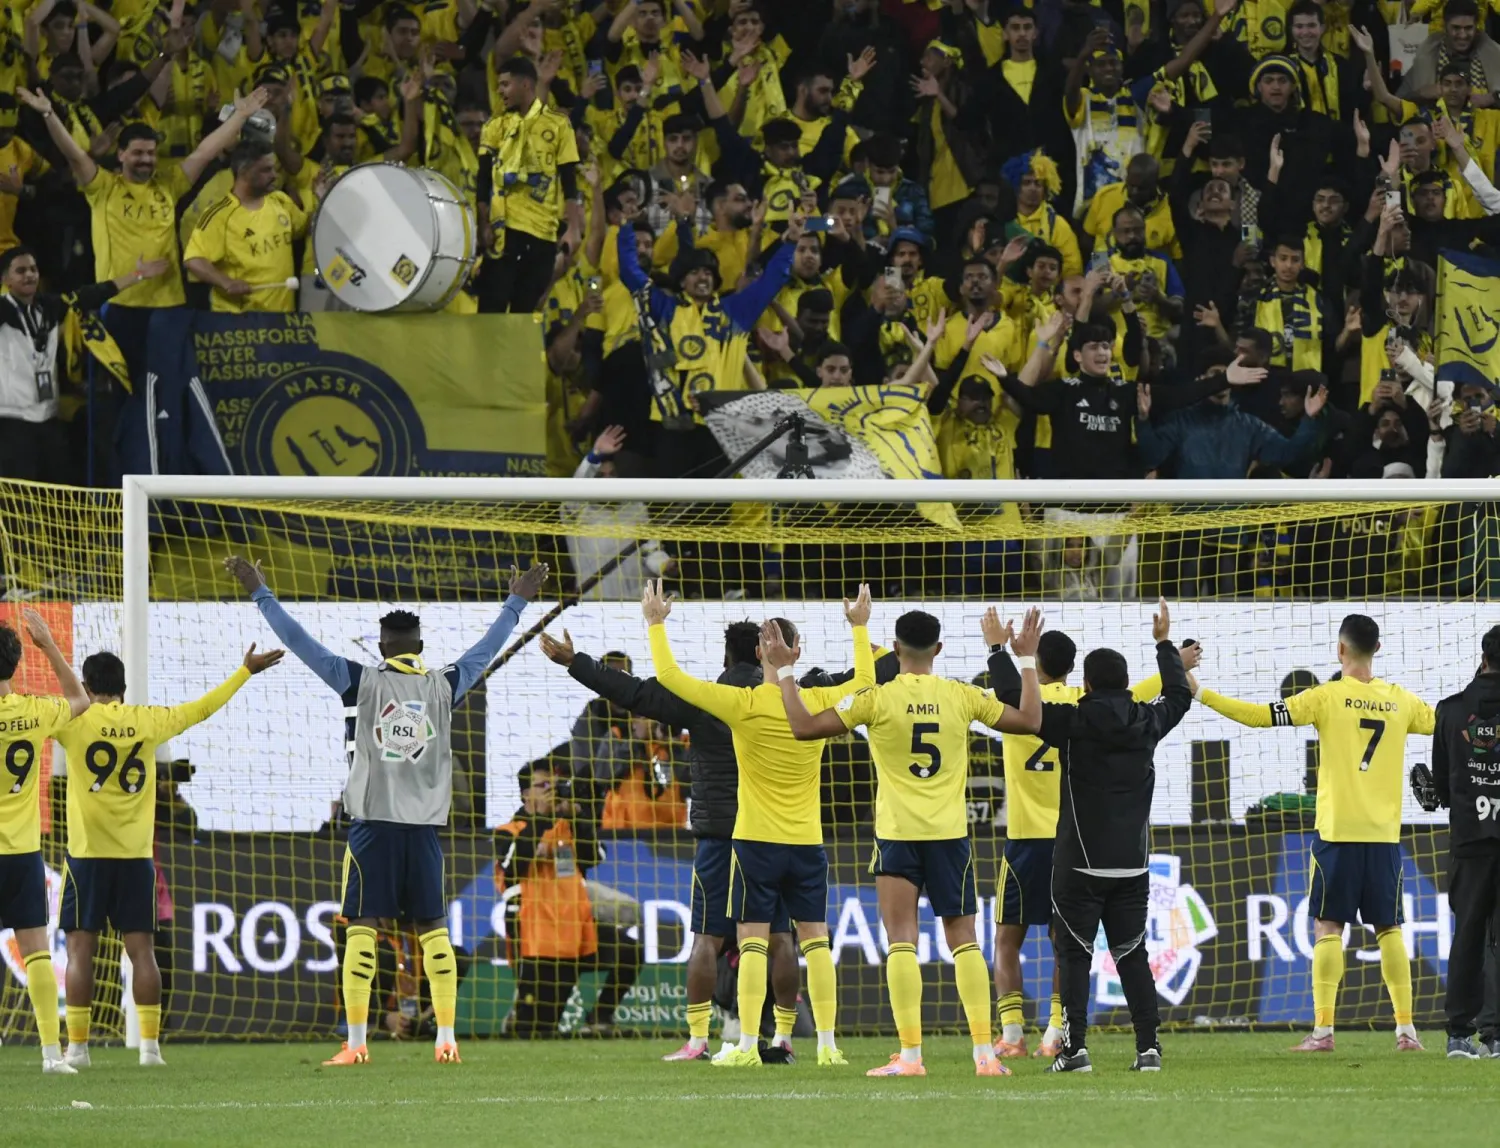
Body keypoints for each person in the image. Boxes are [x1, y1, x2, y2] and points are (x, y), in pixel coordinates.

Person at [224, 554, 548, 1066]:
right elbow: (486, 649)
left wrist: (259, 589)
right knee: (434, 932)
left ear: (381, 647)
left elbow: (300, 641)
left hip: (372, 829)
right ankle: (446, 1038)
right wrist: (517, 601)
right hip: (423, 833)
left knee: (362, 929)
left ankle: (355, 1044)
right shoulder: (444, 685)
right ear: (420, 647)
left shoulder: (359, 681)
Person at [771, 607, 1045, 1078]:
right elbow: (1030, 720)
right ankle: (985, 1055)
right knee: (965, 943)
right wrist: (1026, 660)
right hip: (949, 837)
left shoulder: (875, 699)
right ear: (938, 650)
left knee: (901, 943)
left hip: (898, 835)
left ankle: (911, 1057)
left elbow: (802, 727)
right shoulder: (962, 695)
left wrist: (786, 671)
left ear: (895, 649)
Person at [537, 620, 804, 1062]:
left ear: (725, 657)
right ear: (764, 654)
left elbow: (636, 693)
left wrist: (576, 662)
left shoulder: (704, 700)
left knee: (707, 939)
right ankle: (783, 1040)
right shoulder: (782, 698)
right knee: (779, 939)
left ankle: (698, 1041)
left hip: (719, 836)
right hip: (770, 835)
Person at [642, 578, 877, 1068]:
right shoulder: (815, 701)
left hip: (754, 842)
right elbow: (865, 683)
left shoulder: (742, 704)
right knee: (813, 941)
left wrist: (656, 623)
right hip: (808, 841)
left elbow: (669, 677)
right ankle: (829, 1047)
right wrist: (859, 628)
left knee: (752, 941)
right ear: (798, 648)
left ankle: (747, 1046)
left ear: (760, 652)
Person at [1195, 614, 1436, 1052]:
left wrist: (1199, 691)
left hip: (1337, 833)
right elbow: (1445, 725)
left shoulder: (1325, 698)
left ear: (1340, 650)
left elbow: (1256, 717)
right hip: (1383, 836)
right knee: (1390, 928)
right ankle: (1407, 1031)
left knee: (1328, 927)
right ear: (1377, 649)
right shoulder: (1402, 701)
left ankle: (1323, 1032)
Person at [982, 611, 1199, 1059]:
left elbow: (1010, 698)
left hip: (1048, 843)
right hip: (1121, 856)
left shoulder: (1057, 711)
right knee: (1105, 950)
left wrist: (1001, 652)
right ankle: (1061, 1035)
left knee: (1012, 939)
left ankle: (1013, 1035)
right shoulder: (1131, 714)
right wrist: (1168, 654)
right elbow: (1169, 694)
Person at [57, 641, 282, 1068]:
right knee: (142, 953)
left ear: (87, 686)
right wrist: (244, 672)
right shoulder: (149, 721)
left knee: (80, 952)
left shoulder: (75, 722)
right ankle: (150, 1049)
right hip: (137, 860)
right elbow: (201, 708)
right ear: (124, 687)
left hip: (87, 857)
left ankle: (80, 1049)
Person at [16, 83, 269, 373]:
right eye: (138, 153)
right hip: (122, 302)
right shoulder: (103, 187)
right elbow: (75, 155)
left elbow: (205, 151)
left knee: (170, 385)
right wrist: (49, 114)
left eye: (151, 153)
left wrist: (239, 117)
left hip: (170, 304)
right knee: (128, 389)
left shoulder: (169, 184)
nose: (146, 159)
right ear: (121, 154)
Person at [1045, 599, 1194, 1074]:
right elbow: (1179, 694)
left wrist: (1008, 654)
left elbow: (1017, 704)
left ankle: (1074, 1052)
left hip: (1079, 864)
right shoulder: (1146, 722)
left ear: (1085, 684)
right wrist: (1164, 644)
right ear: (1126, 683)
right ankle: (1148, 1049)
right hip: (1132, 864)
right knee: (1132, 956)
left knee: (1074, 957)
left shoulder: (1071, 722)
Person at [0, 609, 90, 1073]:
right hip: (21, 853)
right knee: (35, 950)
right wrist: (49, 645)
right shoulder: (34, 712)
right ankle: (52, 1056)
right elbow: (80, 699)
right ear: (15, 665)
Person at [496, 760, 644, 1038]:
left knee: (630, 951)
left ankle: (599, 1017)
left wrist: (577, 815)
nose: (551, 791)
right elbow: (513, 869)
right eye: (543, 786)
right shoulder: (509, 830)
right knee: (538, 1030)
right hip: (536, 936)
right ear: (525, 795)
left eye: (554, 785)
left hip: (576, 931)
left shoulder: (568, 826)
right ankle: (518, 1017)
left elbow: (594, 857)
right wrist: (541, 818)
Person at [0, 245, 167, 482]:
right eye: (20, 271)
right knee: (18, 502)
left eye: (33, 269)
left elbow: (91, 294)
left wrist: (137, 275)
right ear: (6, 279)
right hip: (11, 424)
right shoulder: (2, 311)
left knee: (57, 496)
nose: (29, 275)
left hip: (48, 419)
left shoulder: (49, 307)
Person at [1426, 625, 1500, 1058]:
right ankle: (1496, 1035)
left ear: (1483, 657)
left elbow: (1439, 786)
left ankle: (1459, 1034)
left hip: (1470, 839)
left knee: (1469, 932)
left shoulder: (1450, 711)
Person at [477, 57, 583, 314]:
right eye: (498, 85)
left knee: (525, 315)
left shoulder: (559, 125)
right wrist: (484, 223)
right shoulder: (493, 127)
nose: (500, 90)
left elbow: (568, 180)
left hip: (543, 237)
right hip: (505, 233)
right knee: (491, 313)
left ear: (525, 84)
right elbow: (482, 180)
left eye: (505, 84)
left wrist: (573, 228)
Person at [182, 141, 308, 313]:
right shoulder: (219, 216)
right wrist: (226, 282)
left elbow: (303, 228)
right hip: (240, 321)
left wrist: (321, 198)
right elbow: (193, 259)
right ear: (243, 172)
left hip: (282, 316)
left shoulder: (280, 200)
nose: (274, 175)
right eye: (266, 170)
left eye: (274, 169)